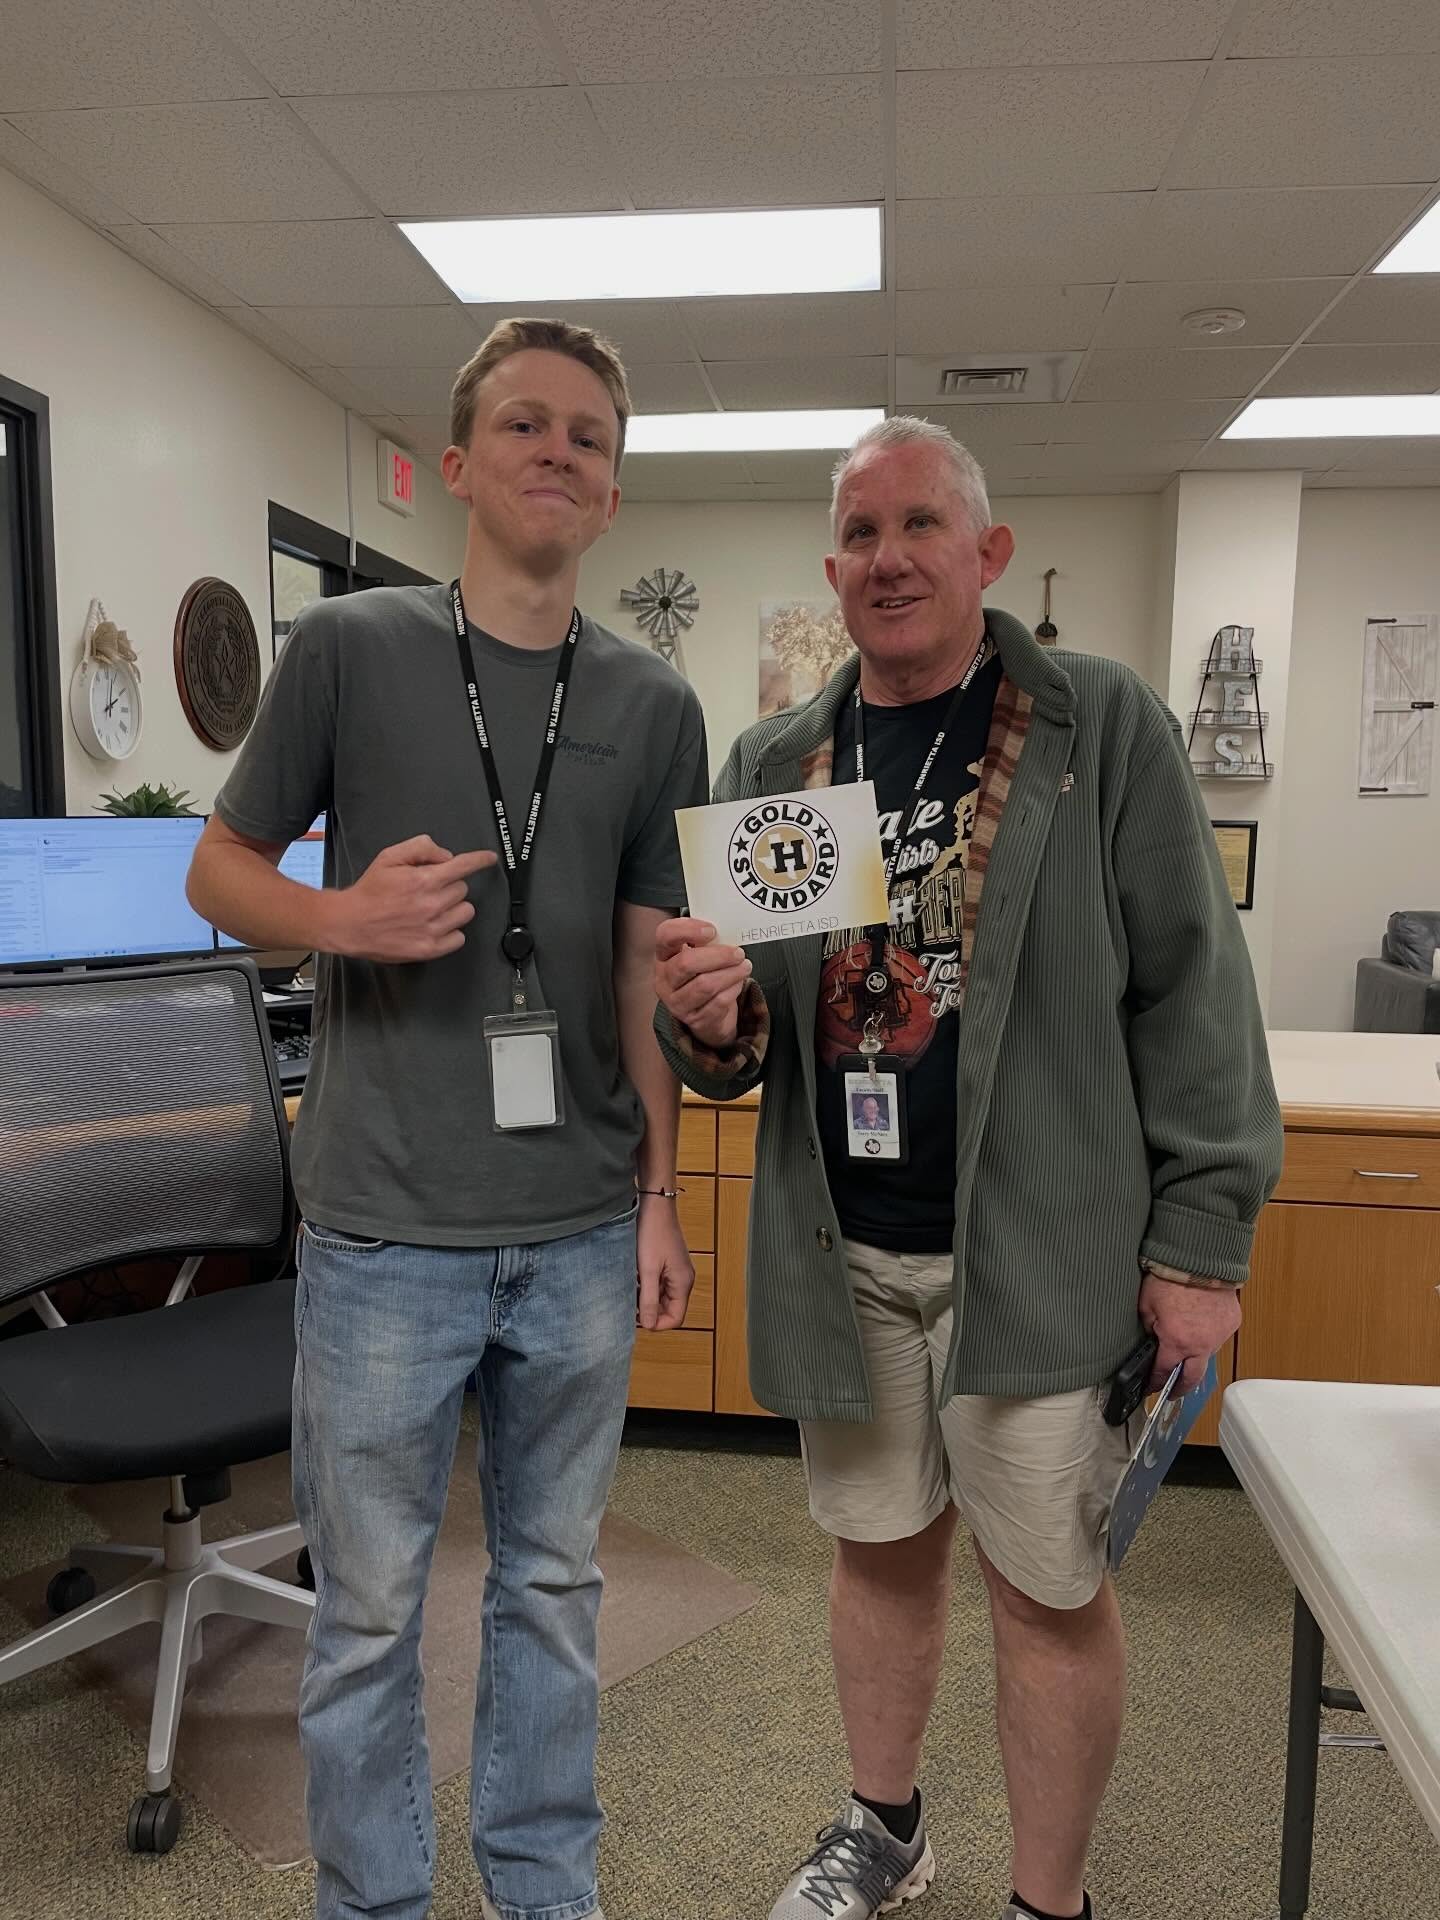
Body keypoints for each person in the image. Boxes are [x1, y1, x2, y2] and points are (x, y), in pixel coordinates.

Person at [653, 416, 1282, 1920]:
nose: (890, 559)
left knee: (1048, 1593)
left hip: (1038, 1252)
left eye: (920, 526)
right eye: (862, 535)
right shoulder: (779, 760)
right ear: (833, 570)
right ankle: (887, 1828)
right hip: (844, 1248)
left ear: (985, 554)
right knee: (879, 1559)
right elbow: (743, 1055)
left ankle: (1045, 1900)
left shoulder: (1099, 726)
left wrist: (1200, 1248)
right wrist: (716, 1023)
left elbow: (1194, 990)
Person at [188, 317, 707, 1920]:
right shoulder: (350, 650)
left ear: (613, 495)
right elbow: (216, 874)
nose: (562, 453)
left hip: (574, 1237)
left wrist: (662, 1197)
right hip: (382, 1233)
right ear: (464, 462)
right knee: (368, 1614)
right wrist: (342, 918)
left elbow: (637, 967)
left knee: (553, 1593)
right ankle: (378, 1903)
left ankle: (545, 1891)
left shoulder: (653, 701)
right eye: (529, 426)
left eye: (592, 439)